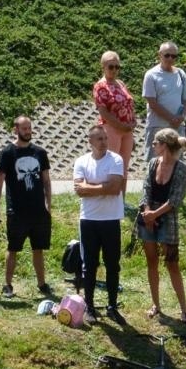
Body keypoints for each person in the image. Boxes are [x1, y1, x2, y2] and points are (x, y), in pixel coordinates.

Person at [0, 116, 54, 300]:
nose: (28, 131)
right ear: (16, 130)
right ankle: (7, 284)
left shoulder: (40, 153)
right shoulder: (7, 153)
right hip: (17, 210)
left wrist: (48, 203)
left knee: (39, 248)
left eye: (29, 128)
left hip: (38, 210)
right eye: (24, 128)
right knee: (13, 248)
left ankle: (42, 283)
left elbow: (46, 180)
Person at [138, 128, 186, 322]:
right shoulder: (153, 163)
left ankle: (184, 309)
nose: (153, 146)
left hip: (167, 218)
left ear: (164, 146)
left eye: (155, 143)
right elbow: (146, 189)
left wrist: (154, 215)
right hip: (148, 215)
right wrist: (147, 212)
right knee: (151, 262)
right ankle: (156, 305)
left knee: (172, 264)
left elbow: (175, 200)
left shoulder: (181, 169)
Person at [73, 124, 126, 319]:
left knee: (112, 264)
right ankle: (90, 307)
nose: (104, 142)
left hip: (111, 219)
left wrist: (90, 187)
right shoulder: (81, 161)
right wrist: (103, 186)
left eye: (105, 138)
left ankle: (112, 306)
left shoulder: (116, 159)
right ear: (90, 141)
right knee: (89, 264)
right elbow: (79, 189)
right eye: (99, 139)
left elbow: (115, 189)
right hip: (88, 219)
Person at [142, 43, 186, 158]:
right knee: (154, 163)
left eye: (174, 56)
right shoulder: (151, 75)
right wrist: (171, 118)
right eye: (167, 55)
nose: (170, 59)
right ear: (160, 55)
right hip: (157, 127)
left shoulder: (181, 74)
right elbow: (152, 103)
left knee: (177, 162)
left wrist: (182, 116)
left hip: (177, 127)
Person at [93, 51, 136, 173]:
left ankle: (121, 193)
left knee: (123, 168)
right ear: (103, 66)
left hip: (127, 131)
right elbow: (104, 112)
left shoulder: (121, 83)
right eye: (111, 66)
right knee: (112, 166)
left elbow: (129, 104)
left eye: (117, 67)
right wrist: (121, 126)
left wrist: (133, 122)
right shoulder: (100, 86)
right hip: (111, 130)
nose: (114, 70)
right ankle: (110, 192)